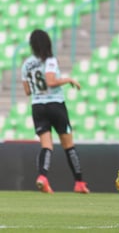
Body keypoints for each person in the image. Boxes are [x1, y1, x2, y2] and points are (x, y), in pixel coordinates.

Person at [21, 29, 89, 194]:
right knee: (68, 145)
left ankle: (42, 177)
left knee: (46, 145)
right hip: (55, 105)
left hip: (37, 106)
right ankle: (79, 182)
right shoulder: (49, 60)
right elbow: (51, 81)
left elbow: (27, 91)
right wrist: (68, 79)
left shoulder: (26, 64)